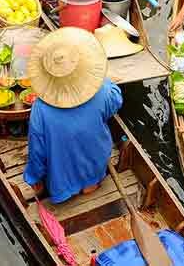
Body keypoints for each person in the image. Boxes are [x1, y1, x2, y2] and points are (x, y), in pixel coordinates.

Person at [24, 28, 123, 204]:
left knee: (61, 174)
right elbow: (115, 101)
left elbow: (37, 150)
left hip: (62, 175)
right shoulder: (102, 89)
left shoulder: (40, 109)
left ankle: (70, 190)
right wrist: (104, 80)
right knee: (91, 174)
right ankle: (90, 185)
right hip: (95, 161)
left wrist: (34, 178)